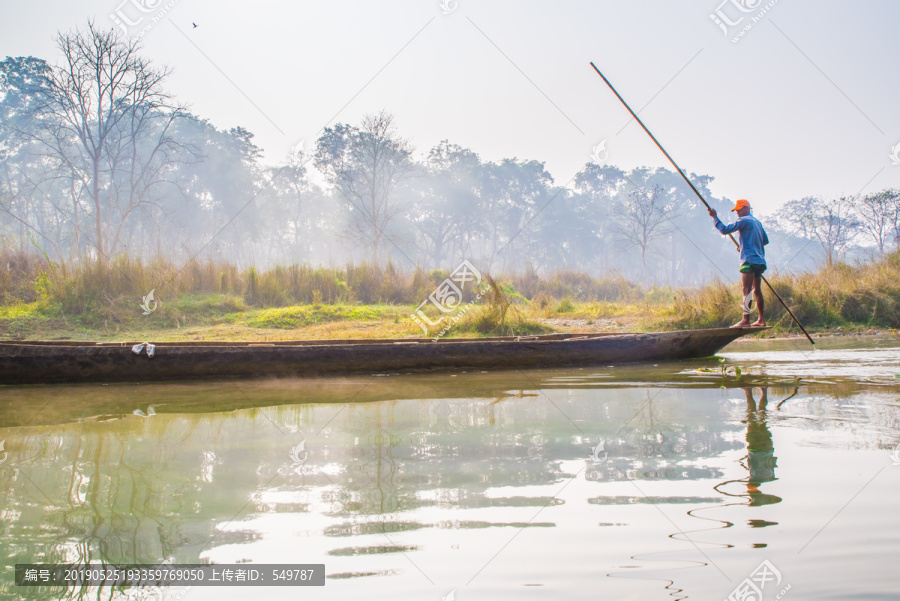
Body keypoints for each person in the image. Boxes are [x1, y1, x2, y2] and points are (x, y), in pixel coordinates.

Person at [708, 199, 769, 328]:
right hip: (759, 261)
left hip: (749, 261)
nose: (738, 213)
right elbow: (764, 240)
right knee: (757, 290)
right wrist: (744, 245)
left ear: (747, 209)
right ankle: (761, 320)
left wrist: (715, 218)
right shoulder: (757, 223)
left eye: (740, 209)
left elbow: (724, 230)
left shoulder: (744, 220)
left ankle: (746, 320)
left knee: (746, 289)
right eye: (736, 210)